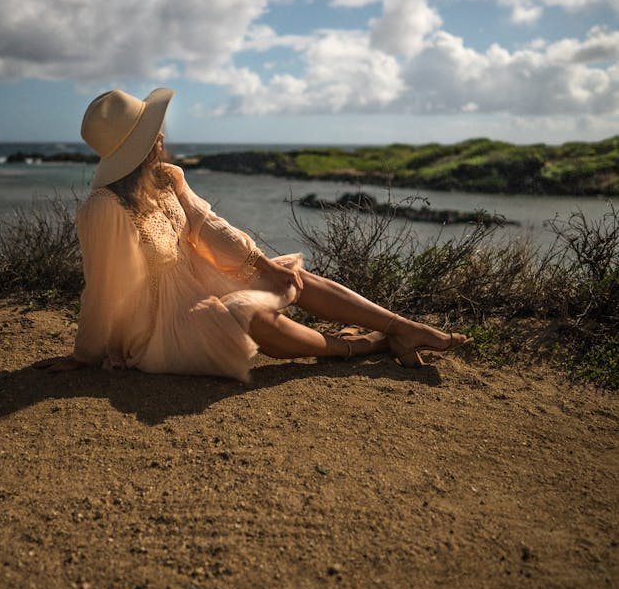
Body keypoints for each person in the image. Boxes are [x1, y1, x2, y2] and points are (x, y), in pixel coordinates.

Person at [36, 88, 469, 381]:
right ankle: (359, 347)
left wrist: (261, 264)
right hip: (155, 324)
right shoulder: (103, 209)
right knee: (252, 314)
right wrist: (85, 355)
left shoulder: (166, 178)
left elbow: (207, 228)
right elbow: (102, 288)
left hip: (198, 279)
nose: (162, 136)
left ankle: (403, 327)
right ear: (135, 147)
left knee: (288, 277)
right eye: (152, 133)